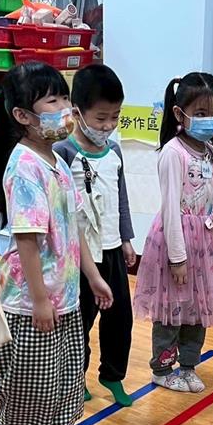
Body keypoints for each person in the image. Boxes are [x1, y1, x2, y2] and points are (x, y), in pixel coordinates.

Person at [0, 61, 114, 425]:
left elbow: (73, 225)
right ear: (23, 116)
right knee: (30, 377)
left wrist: (93, 277)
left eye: (64, 97)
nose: (65, 108)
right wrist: (40, 300)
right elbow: (27, 239)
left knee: (66, 373)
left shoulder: (56, 160)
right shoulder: (25, 166)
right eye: (53, 101)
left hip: (65, 292)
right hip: (31, 299)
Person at [132, 72, 213, 393]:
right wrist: (178, 258)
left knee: (197, 309)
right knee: (171, 309)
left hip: (204, 241)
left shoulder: (209, 150)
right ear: (179, 113)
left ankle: (188, 366)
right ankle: (162, 369)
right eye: (201, 113)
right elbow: (171, 209)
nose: (210, 119)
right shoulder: (172, 153)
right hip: (176, 242)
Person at [53, 64, 136, 407]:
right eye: (101, 118)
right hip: (80, 255)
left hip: (112, 248)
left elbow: (121, 197)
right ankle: (77, 377)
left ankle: (112, 375)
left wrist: (127, 239)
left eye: (115, 117)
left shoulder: (114, 151)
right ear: (77, 113)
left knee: (120, 318)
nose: (108, 126)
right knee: (81, 320)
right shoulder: (63, 152)